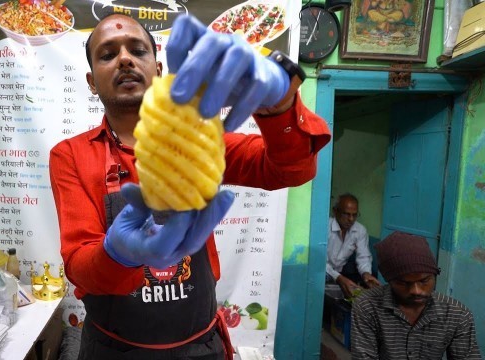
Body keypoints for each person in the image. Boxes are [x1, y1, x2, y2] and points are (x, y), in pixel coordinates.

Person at [49, 12, 331, 359]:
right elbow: (79, 264)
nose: (124, 59)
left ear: (158, 69)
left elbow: (289, 171)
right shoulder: (71, 155)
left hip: (199, 348)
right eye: (108, 55)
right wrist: (117, 254)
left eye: (137, 50)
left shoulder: (199, 141)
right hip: (113, 349)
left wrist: (279, 101)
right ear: (92, 81)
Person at [351, 231, 482, 359]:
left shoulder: (457, 315)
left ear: (435, 275)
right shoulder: (367, 307)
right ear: (388, 280)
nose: (416, 290)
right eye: (404, 283)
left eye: (424, 281)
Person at [326, 193, 380, 299]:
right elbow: (319, 262)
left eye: (354, 215)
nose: (351, 219)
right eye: (346, 214)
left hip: (340, 273)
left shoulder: (360, 230)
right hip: (322, 272)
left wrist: (366, 273)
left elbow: (363, 257)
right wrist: (338, 277)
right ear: (335, 211)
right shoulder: (324, 227)